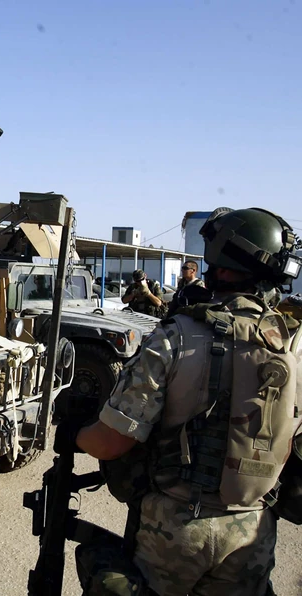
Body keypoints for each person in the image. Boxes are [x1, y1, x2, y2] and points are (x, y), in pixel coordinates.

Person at [56, 207, 302, 595]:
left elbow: (112, 442)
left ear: (218, 261)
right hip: (252, 534)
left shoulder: (177, 336)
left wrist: (73, 433)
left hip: (174, 530)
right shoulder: (294, 345)